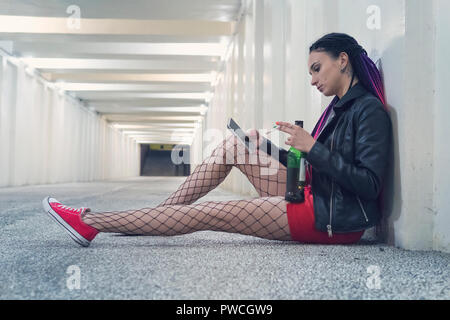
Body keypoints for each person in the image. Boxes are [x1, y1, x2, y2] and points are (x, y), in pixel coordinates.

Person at [42, 33, 392, 247]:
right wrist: (266, 147)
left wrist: (311, 147)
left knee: (206, 214)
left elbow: (370, 185)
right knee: (236, 145)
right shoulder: (336, 109)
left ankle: (89, 222)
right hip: (312, 195)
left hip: (330, 220)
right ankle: (157, 217)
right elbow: (311, 165)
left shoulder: (368, 110)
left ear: (342, 61)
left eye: (317, 68)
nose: (313, 79)